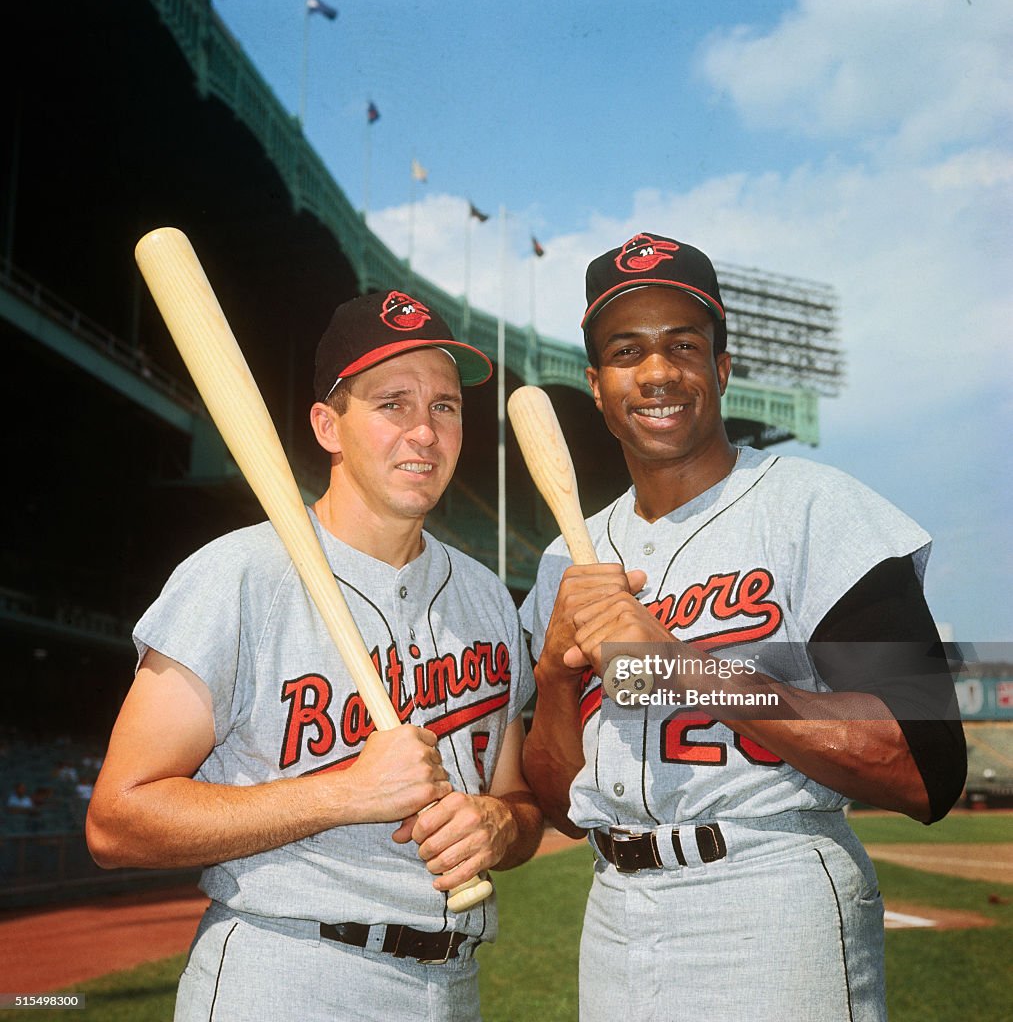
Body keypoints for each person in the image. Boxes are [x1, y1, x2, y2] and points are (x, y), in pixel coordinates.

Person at [520, 232, 966, 1022]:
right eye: (627, 351)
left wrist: (682, 663)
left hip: (771, 896)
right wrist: (556, 676)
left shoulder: (815, 510)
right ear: (595, 385)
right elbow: (559, 805)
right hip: (613, 916)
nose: (656, 372)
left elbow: (924, 763)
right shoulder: (565, 560)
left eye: (681, 346)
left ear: (719, 369)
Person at [87, 290, 542, 1022]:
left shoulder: (486, 596)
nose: (424, 433)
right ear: (329, 426)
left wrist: (497, 824)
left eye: (444, 407)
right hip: (289, 973)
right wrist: (345, 794)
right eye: (392, 403)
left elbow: (518, 803)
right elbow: (117, 820)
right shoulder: (237, 575)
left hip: (454, 987)